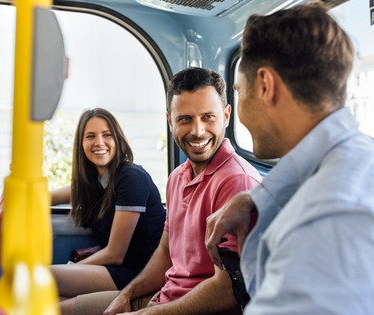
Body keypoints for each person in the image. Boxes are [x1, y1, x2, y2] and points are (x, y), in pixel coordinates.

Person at [205, 5, 374, 314]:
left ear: (264, 85)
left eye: (238, 90)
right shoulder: (362, 155)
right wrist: (253, 199)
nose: (240, 112)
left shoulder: (325, 221)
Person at [69, 67, 261, 315]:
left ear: (226, 116)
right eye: (185, 119)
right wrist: (127, 294)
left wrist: (150, 313)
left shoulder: (236, 181)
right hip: (162, 298)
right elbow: (165, 253)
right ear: (170, 121)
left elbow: (230, 290)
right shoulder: (177, 178)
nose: (197, 131)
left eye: (208, 117)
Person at [50, 108, 166, 312]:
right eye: (90, 136)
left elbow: (115, 254)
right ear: (81, 144)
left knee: (46, 277)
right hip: (117, 270)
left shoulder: (131, 177)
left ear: (118, 140)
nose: (99, 142)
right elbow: (46, 197)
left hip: (142, 273)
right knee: (49, 302)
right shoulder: (94, 184)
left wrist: (72, 269)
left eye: (106, 135)